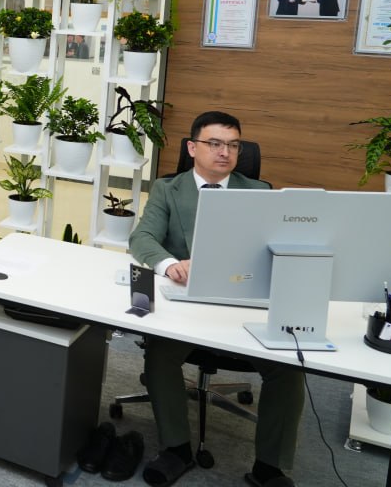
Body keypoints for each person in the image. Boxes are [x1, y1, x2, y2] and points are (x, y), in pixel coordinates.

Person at [129, 111, 303, 487]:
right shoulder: (167, 189)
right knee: (159, 354)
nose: (225, 152)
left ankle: (269, 468)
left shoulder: (259, 192)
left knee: (289, 366)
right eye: (215, 144)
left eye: (233, 145)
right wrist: (170, 265)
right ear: (192, 148)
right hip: (186, 303)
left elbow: (275, 247)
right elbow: (142, 239)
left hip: (241, 304)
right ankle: (176, 449)